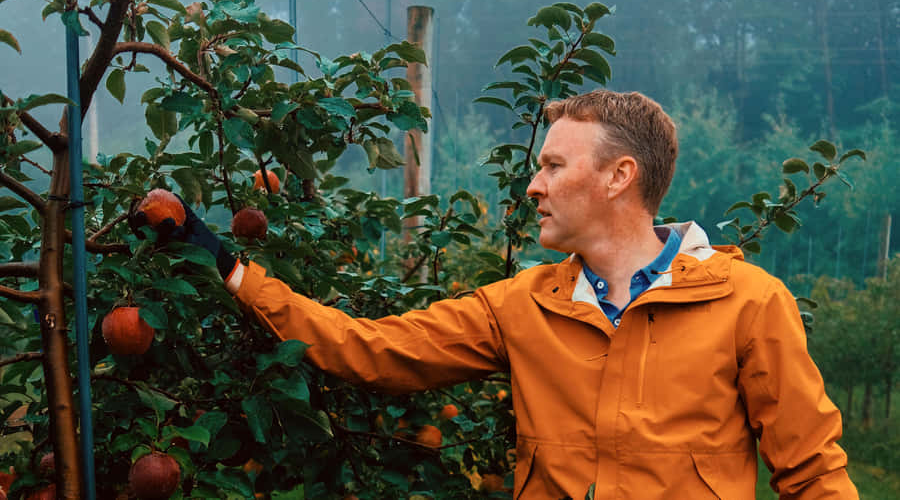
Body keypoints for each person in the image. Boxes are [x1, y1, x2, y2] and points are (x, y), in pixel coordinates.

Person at [132, 90, 858, 499]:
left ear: (618, 177)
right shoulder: (522, 305)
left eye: (552, 166)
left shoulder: (745, 302)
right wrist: (226, 263)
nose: (533, 185)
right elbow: (370, 349)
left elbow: (813, 472)